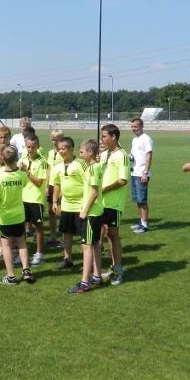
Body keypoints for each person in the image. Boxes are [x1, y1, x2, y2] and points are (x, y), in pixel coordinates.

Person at [0, 145, 35, 285]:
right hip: (19, 215)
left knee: (6, 246)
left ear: (2, 158)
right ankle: (26, 270)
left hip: (4, 217)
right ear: (16, 158)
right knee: (22, 243)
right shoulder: (21, 175)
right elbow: (25, 183)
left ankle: (11, 276)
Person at [68, 139, 104, 294]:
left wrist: (84, 211)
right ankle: (96, 276)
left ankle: (85, 282)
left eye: (82, 151)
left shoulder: (92, 169)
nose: (80, 154)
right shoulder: (94, 166)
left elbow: (95, 192)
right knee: (95, 243)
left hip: (92, 213)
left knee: (87, 245)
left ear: (90, 152)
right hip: (96, 212)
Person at [51, 136, 87, 269]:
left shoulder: (81, 164)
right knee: (66, 233)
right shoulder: (58, 166)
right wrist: (55, 201)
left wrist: (86, 203)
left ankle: (86, 261)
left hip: (80, 205)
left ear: (71, 148)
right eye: (59, 149)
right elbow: (56, 184)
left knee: (84, 235)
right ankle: (67, 259)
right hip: (66, 205)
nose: (61, 151)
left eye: (64, 148)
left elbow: (87, 183)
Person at [99, 124, 129, 286]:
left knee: (113, 234)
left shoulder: (122, 155)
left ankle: (118, 269)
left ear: (114, 137)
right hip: (101, 202)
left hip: (114, 203)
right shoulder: (104, 154)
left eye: (104, 136)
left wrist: (105, 189)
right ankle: (112, 266)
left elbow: (122, 180)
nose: (102, 139)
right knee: (106, 234)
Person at [19, 135, 48, 266]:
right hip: (23, 198)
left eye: (33, 147)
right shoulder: (23, 159)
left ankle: (39, 253)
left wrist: (27, 170)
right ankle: (22, 253)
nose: (30, 149)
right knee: (22, 227)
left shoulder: (42, 162)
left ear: (38, 147)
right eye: (28, 147)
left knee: (38, 227)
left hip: (36, 199)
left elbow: (38, 182)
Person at [129, 118, 153, 233]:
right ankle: (141, 221)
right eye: (132, 127)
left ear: (141, 126)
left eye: (135, 127)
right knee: (138, 199)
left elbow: (149, 156)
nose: (133, 129)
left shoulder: (146, 139)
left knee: (142, 200)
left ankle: (145, 225)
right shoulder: (135, 140)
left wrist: (145, 173)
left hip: (141, 174)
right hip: (134, 172)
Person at [45, 129, 64, 248]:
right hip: (51, 184)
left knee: (61, 212)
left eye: (56, 139)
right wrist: (47, 185)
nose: (54, 141)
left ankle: (63, 238)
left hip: (61, 185)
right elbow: (48, 169)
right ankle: (53, 236)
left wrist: (62, 189)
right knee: (51, 211)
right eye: (52, 139)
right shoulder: (51, 153)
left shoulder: (63, 153)